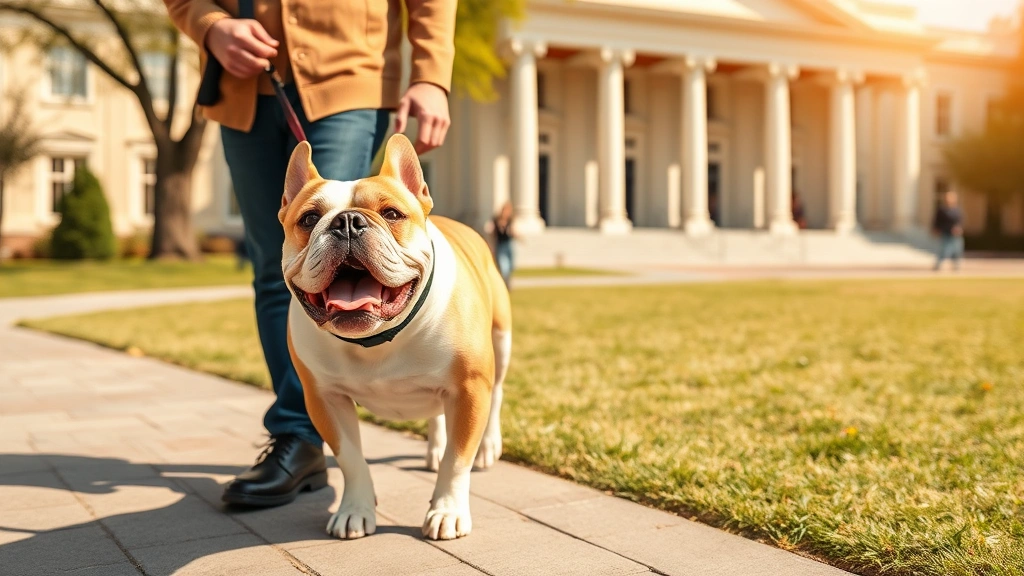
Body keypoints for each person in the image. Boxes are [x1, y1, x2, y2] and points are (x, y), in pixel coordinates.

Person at [164, 0, 456, 507]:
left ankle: (399, 387)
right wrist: (211, 27)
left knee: (351, 246)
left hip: (350, 67)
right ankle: (301, 437)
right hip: (240, 88)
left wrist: (431, 73)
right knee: (283, 268)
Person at [932, 190, 965, 271]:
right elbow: (936, 221)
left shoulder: (957, 210)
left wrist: (959, 228)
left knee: (957, 250)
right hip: (945, 232)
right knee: (943, 250)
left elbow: (960, 221)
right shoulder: (942, 210)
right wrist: (936, 229)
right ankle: (938, 264)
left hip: (955, 234)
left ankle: (956, 265)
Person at [487, 202, 515, 287]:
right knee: (503, 266)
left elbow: (513, 231)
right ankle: (504, 284)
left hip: (508, 244)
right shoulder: (496, 220)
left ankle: (507, 281)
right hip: (500, 245)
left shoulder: (510, 220)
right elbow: (492, 234)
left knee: (510, 265)